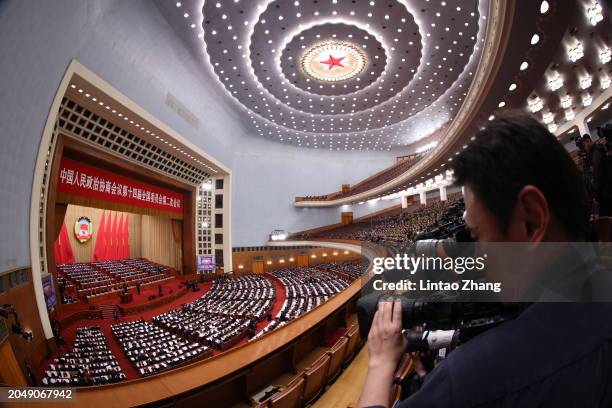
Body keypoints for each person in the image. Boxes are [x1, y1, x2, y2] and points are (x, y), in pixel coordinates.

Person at [358, 115, 612, 408]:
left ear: (530, 221)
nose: (474, 255)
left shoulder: (472, 378)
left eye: (477, 235)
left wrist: (380, 362)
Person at [578, 131, 612, 216]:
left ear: (588, 141)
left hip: (605, 188)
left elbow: (597, 173)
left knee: (606, 213)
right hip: (605, 187)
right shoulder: (594, 152)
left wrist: (595, 190)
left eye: (584, 145)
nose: (585, 149)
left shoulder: (596, 151)